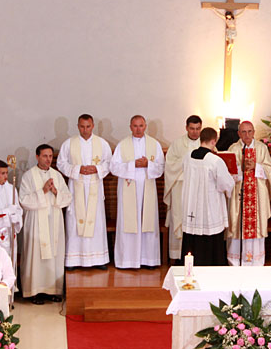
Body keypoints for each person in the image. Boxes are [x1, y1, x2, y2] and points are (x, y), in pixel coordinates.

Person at [57, 114, 112, 269]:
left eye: (88, 126)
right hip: (76, 188)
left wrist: (96, 168)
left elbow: (109, 163)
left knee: (96, 222)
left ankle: (98, 260)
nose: (85, 130)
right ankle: (74, 260)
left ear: (93, 126)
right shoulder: (69, 144)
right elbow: (61, 163)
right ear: (78, 126)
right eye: (82, 126)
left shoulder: (102, 143)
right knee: (75, 221)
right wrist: (78, 169)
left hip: (95, 185)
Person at [110, 115, 165, 269]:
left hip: (147, 188)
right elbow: (114, 167)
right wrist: (133, 165)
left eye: (141, 125)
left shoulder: (154, 144)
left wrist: (148, 164)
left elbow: (161, 167)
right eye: (135, 126)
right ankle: (127, 260)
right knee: (129, 222)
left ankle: (149, 260)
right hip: (129, 188)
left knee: (147, 222)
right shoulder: (123, 145)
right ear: (130, 127)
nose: (138, 129)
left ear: (145, 126)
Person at [19, 144, 72, 305]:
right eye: (44, 156)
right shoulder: (28, 176)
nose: (48, 159)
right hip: (36, 221)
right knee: (35, 255)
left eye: (50, 156)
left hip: (53, 221)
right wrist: (42, 191)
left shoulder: (57, 175)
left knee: (54, 255)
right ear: (37, 157)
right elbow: (23, 200)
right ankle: (33, 291)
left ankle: (52, 290)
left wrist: (55, 192)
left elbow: (68, 198)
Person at [181, 127, 235, 265]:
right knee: (211, 237)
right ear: (213, 141)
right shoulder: (214, 160)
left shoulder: (188, 156)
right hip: (209, 207)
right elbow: (226, 184)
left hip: (191, 206)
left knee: (192, 238)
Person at [226, 120, 271, 266]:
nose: (247, 135)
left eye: (249, 132)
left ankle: (256, 261)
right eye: (243, 132)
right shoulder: (234, 149)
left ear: (254, 132)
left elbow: (270, 170)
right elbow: (227, 173)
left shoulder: (261, 148)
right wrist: (241, 169)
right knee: (237, 226)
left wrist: (256, 166)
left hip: (257, 196)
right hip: (239, 195)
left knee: (257, 226)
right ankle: (235, 262)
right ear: (238, 133)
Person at [164, 115, 202, 262]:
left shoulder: (205, 143)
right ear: (186, 128)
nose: (195, 132)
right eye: (192, 129)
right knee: (179, 218)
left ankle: (197, 254)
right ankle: (178, 255)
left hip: (199, 190)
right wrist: (187, 158)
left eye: (198, 129)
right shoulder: (177, 144)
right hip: (180, 187)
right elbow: (170, 166)